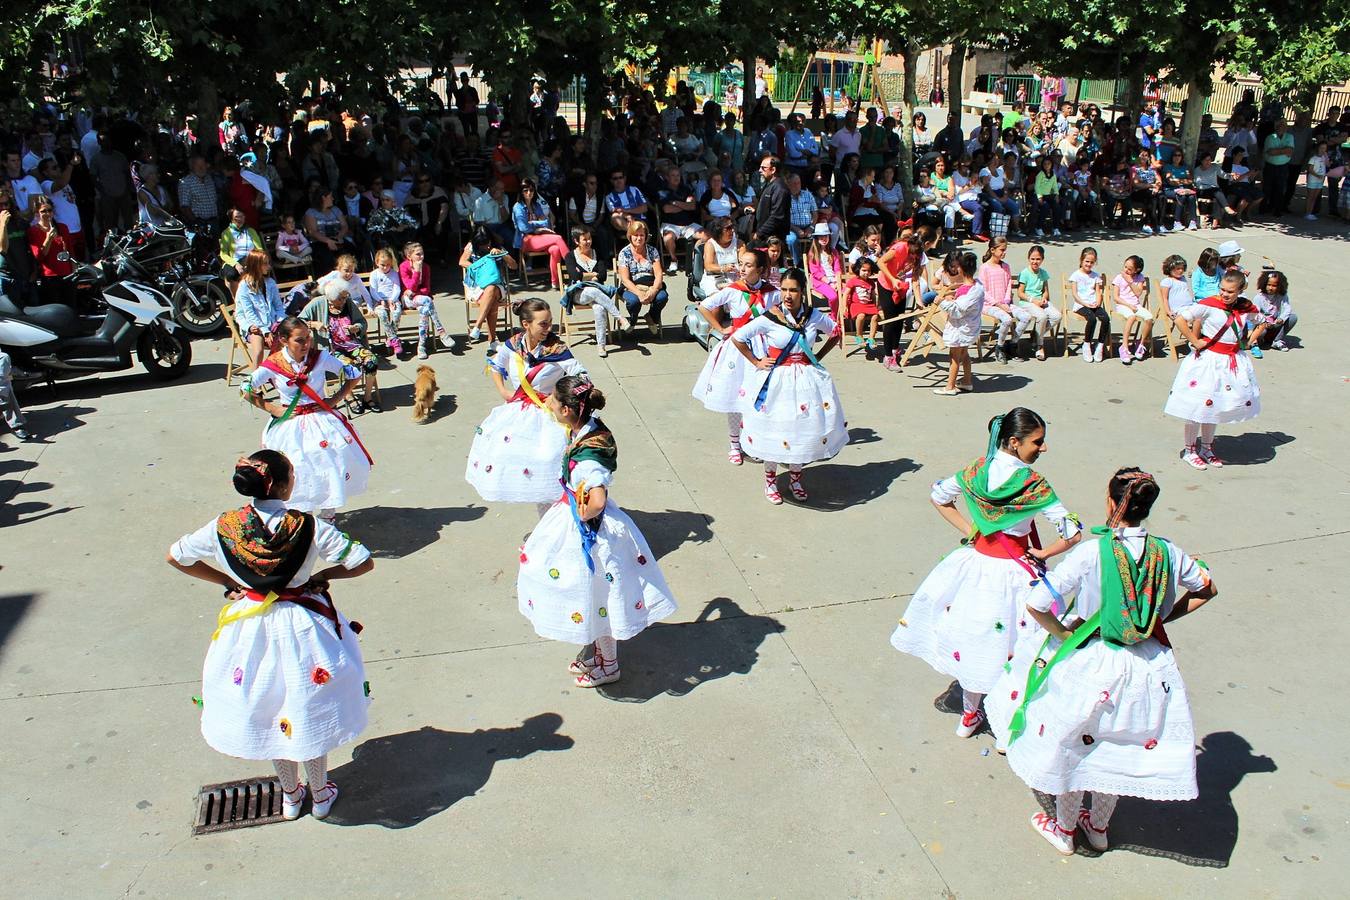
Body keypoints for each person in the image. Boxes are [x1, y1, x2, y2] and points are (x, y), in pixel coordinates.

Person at [986, 467, 1216, 855]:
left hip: (1093, 659)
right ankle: (1099, 827)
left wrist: (1064, 636)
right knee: (1115, 748)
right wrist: (1161, 618)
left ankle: (1064, 829)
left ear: (1112, 503)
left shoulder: (1092, 552)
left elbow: (1038, 604)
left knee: (1075, 747)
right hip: (1146, 664)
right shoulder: (1168, 551)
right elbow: (1207, 588)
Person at [165, 450, 374, 821]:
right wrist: (323, 577)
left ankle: (290, 796)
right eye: (291, 474)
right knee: (304, 708)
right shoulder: (308, 525)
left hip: (250, 628)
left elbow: (176, 556)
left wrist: (228, 580)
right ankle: (321, 793)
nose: (295, 479)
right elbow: (362, 561)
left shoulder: (223, 526)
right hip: (304, 627)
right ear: (280, 484)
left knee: (270, 707)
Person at [891, 408, 1083, 736]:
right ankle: (1009, 718)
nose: (1044, 448)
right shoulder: (1033, 485)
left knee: (977, 644)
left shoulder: (977, 470)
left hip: (976, 568)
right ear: (1013, 441)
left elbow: (939, 496)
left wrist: (971, 530)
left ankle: (969, 716)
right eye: (1038, 441)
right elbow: (1073, 533)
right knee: (1023, 647)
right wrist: (1045, 552)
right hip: (1016, 574)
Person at [516, 375, 678, 687]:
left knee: (598, 596)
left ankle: (609, 665)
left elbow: (598, 498)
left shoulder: (588, 455)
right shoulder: (589, 428)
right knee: (595, 596)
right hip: (583, 520)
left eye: (552, 399)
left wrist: (580, 512)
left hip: (588, 529)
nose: (547, 403)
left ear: (566, 410)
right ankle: (602, 656)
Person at [729, 267, 844, 504]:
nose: (788, 295)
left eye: (793, 290)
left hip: (805, 382)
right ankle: (770, 480)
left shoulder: (813, 316)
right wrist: (756, 361)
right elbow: (738, 337)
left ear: (803, 291)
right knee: (776, 430)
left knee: (800, 430)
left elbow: (835, 332)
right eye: (784, 289)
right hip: (776, 381)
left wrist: (816, 357)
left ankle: (795, 478)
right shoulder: (771, 317)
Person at [241, 317, 372, 518]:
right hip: (290, 424)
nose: (306, 344)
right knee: (297, 468)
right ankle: (305, 515)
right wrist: (271, 408)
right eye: (299, 340)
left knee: (329, 462)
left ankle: (329, 514)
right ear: (284, 340)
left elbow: (352, 373)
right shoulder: (273, 364)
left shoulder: (319, 358)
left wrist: (333, 400)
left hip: (319, 419)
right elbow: (245, 388)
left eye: (308, 338)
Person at [466, 299, 585, 513]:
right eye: (543, 324)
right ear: (526, 324)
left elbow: (583, 379)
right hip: (518, 417)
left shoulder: (558, 349)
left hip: (548, 420)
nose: (549, 329)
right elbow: (495, 364)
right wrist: (503, 391)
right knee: (529, 480)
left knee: (551, 478)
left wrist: (559, 397)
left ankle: (557, 529)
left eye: (549, 323)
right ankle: (547, 531)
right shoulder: (513, 344)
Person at [692, 247, 782, 466]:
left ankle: (751, 441)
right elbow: (704, 306)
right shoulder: (732, 290)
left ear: (761, 269)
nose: (742, 269)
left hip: (763, 349)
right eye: (741, 264)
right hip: (736, 349)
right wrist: (721, 329)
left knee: (758, 398)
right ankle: (734, 445)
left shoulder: (773, 293)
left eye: (748, 265)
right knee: (734, 397)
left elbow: (783, 316)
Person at [1164, 270, 1261, 469]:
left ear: (1241, 290)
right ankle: (1190, 450)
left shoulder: (1245, 307)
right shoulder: (1209, 305)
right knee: (1197, 406)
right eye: (1222, 289)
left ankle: (1206, 448)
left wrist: (1250, 339)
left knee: (1215, 405)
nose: (1224, 294)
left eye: (1230, 291)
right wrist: (1194, 340)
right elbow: (1180, 319)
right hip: (1207, 362)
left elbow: (1260, 321)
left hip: (1229, 363)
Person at [301, 280, 382, 414]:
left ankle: (367, 397)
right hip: (333, 349)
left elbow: (362, 322)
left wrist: (356, 328)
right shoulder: (318, 303)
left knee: (371, 361)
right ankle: (348, 396)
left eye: (346, 296)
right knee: (348, 366)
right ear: (331, 298)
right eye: (341, 298)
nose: (345, 300)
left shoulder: (348, 304)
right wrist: (313, 324)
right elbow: (298, 321)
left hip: (353, 345)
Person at [562, 226, 628, 357]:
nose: (588, 242)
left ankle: (601, 346)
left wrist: (584, 275)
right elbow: (574, 277)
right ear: (576, 241)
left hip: (597, 293)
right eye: (584, 239)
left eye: (589, 238)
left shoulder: (597, 253)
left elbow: (603, 275)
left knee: (599, 308)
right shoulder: (570, 256)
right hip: (578, 294)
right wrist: (593, 274)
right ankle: (620, 317)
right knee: (592, 290)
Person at [932, 251, 984, 395]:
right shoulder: (977, 285)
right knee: (965, 354)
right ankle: (967, 381)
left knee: (955, 356)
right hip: (970, 325)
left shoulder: (969, 290)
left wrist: (941, 302)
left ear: (961, 268)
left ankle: (950, 386)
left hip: (962, 327)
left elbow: (957, 310)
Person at [460, 227, 516, 346]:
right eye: (481, 245)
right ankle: (492, 341)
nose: (484, 247)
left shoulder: (497, 247)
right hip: (477, 286)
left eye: (486, 243)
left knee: (491, 288)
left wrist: (502, 254)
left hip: (497, 284)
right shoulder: (471, 247)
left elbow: (514, 266)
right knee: (492, 298)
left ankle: (478, 326)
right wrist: (479, 267)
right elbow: (462, 261)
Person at [979, 237, 1031, 363]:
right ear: (992, 250)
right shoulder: (984, 268)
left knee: (1026, 317)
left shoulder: (1006, 266)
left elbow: (1008, 284)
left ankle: (1013, 343)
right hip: (989, 305)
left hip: (1005, 302)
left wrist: (1006, 300)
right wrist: (998, 304)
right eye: (1002, 250)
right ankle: (1000, 346)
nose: (1004, 253)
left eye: (1005, 250)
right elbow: (983, 290)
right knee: (1007, 320)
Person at [233, 249, 286, 369]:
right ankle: (254, 381)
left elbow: (278, 306)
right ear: (256, 266)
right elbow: (249, 313)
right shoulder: (244, 286)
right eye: (265, 264)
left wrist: (280, 322)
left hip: (271, 323)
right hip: (253, 325)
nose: (269, 267)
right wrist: (265, 331)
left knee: (289, 340)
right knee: (258, 348)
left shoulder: (270, 282)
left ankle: (273, 369)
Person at [616, 220, 668, 337]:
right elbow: (625, 279)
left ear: (646, 236)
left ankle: (651, 316)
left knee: (662, 297)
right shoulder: (624, 253)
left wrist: (653, 290)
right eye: (636, 235)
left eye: (642, 235)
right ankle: (633, 320)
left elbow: (659, 274)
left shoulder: (652, 251)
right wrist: (639, 294)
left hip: (651, 284)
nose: (639, 238)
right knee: (633, 302)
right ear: (630, 236)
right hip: (632, 286)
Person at [1015, 245, 1061, 361]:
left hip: (1040, 301)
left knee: (1057, 316)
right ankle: (1040, 345)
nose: (1035, 262)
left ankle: (1036, 335)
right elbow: (1020, 293)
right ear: (1029, 258)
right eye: (1033, 259)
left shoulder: (1043, 273)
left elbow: (1045, 291)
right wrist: (1033, 300)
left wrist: (1044, 298)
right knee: (1042, 316)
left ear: (1042, 260)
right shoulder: (1025, 273)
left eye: (1038, 259)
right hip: (1027, 302)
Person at [26, 196, 74, 306]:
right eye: (43, 211)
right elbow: (39, 257)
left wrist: (74, 272)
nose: (47, 214)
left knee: (70, 306)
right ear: (37, 213)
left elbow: (71, 251)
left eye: (50, 210)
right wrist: (48, 239)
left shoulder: (62, 227)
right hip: (49, 277)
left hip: (67, 274)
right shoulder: (34, 231)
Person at [1111, 254, 1154, 363]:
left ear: (1137, 270)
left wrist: (1130, 281)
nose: (1126, 270)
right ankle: (1124, 347)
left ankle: (1140, 343)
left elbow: (1138, 293)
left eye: (1130, 269)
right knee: (1132, 317)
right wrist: (1128, 305)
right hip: (1123, 305)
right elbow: (1116, 297)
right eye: (1125, 267)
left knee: (1149, 318)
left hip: (1136, 305)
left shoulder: (1139, 277)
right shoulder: (1119, 277)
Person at [1068, 246, 1108, 363]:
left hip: (1093, 303)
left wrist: (1098, 302)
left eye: (1091, 262)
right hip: (1081, 305)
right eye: (1087, 261)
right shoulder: (1076, 275)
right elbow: (1075, 294)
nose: (1089, 264)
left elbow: (1098, 292)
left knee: (1105, 319)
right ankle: (1087, 344)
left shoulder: (1095, 276)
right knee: (1092, 319)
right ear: (1081, 260)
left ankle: (1100, 345)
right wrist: (1085, 303)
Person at [806, 223, 845, 320]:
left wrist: (837, 281)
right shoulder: (813, 253)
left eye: (826, 236)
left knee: (847, 292)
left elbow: (837, 268)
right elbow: (815, 273)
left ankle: (844, 316)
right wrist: (830, 282)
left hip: (834, 280)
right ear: (817, 238)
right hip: (821, 281)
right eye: (821, 237)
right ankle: (834, 317)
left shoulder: (833, 252)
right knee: (833, 297)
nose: (824, 239)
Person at [219, 206, 264, 289]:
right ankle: (237, 299)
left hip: (251, 258)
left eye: (242, 216)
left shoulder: (251, 231)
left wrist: (251, 260)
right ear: (231, 218)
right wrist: (235, 264)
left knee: (257, 270)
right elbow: (223, 254)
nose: (240, 219)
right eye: (237, 217)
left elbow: (260, 249)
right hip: (235, 260)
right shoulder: (226, 233)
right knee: (231, 274)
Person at [1252, 269, 1296, 351]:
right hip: (1262, 326)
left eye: (1274, 286)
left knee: (1293, 317)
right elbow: (1254, 314)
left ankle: (1276, 340)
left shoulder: (1282, 296)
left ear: (1280, 286)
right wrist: (1264, 322)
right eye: (1268, 285)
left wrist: (1282, 318)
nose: (1271, 288)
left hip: (1274, 324)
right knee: (1262, 331)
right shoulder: (1259, 298)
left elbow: (1287, 308)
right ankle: (1259, 341)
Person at [844, 257, 880, 352]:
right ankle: (859, 335)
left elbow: (872, 295)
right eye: (864, 270)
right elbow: (846, 293)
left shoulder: (871, 283)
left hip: (868, 304)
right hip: (856, 305)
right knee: (861, 316)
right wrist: (844, 306)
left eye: (868, 271)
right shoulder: (853, 281)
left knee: (875, 316)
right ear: (858, 269)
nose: (866, 273)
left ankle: (871, 337)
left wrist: (876, 305)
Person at [605, 169, 647, 248]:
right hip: (623, 222)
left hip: (640, 220)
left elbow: (644, 208)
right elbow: (615, 212)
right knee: (614, 217)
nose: (618, 180)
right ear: (611, 181)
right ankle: (636, 234)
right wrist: (627, 216)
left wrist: (627, 211)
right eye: (615, 178)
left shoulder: (634, 190)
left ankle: (634, 236)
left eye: (620, 177)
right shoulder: (609, 197)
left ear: (624, 178)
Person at [752, 156, 790, 244]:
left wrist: (759, 233)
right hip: (764, 237)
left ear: (773, 170)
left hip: (773, 239)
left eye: (763, 168)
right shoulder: (769, 185)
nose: (759, 170)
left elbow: (777, 216)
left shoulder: (780, 188)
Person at [699, 216, 740, 296]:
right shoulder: (710, 244)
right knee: (718, 302)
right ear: (718, 231)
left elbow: (744, 261)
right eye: (728, 228)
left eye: (732, 227)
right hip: (714, 279)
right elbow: (708, 266)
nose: (732, 230)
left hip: (735, 278)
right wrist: (723, 268)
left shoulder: (739, 243)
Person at [1261, 119, 1294, 216]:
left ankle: (1277, 210)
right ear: (1276, 127)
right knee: (1267, 188)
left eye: (1283, 125)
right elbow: (1270, 152)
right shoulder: (1270, 138)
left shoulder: (1290, 137)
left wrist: (1277, 151)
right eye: (1279, 125)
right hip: (1270, 166)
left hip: (1283, 167)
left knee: (1280, 188)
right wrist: (1284, 150)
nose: (1281, 127)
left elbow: (1290, 151)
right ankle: (1263, 208)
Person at [1162, 148, 1199, 231]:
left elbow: (1190, 180)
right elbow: (1170, 181)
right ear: (1172, 157)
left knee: (1191, 197)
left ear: (1182, 157)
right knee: (1181, 196)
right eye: (1175, 155)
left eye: (1179, 155)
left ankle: (1192, 222)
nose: (1177, 157)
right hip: (1170, 190)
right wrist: (1183, 181)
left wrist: (1178, 181)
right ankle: (1177, 222)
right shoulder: (1168, 167)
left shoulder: (1185, 168)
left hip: (1184, 189)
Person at [1157, 252, 1193, 322]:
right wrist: (1168, 311)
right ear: (1170, 269)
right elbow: (1165, 298)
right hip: (1178, 309)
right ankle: (1193, 332)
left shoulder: (1183, 278)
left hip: (1190, 306)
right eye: (1178, 269)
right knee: (1193, 316)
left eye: (1182, 268)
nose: (1181, 271)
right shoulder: (1167, 281)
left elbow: (1187, 291)